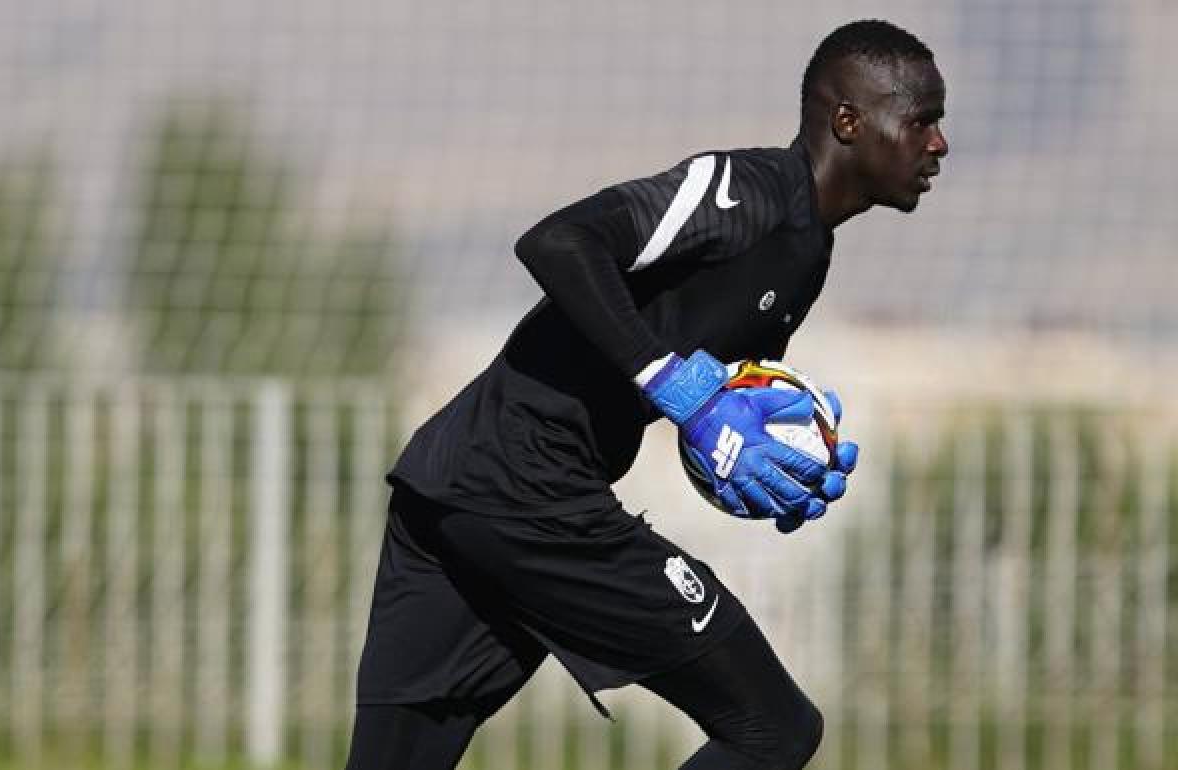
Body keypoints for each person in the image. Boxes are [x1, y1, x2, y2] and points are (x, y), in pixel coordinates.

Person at [345, 18, 948, 770]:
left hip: (459, 484)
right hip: (531, 490)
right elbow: (557, 241)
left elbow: (711, 413)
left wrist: (772, 472)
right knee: (775, 728)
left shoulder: (807, 255)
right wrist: (677, 386)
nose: (938, 144)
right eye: (921, 120)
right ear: (849, 122)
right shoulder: (746, 190)